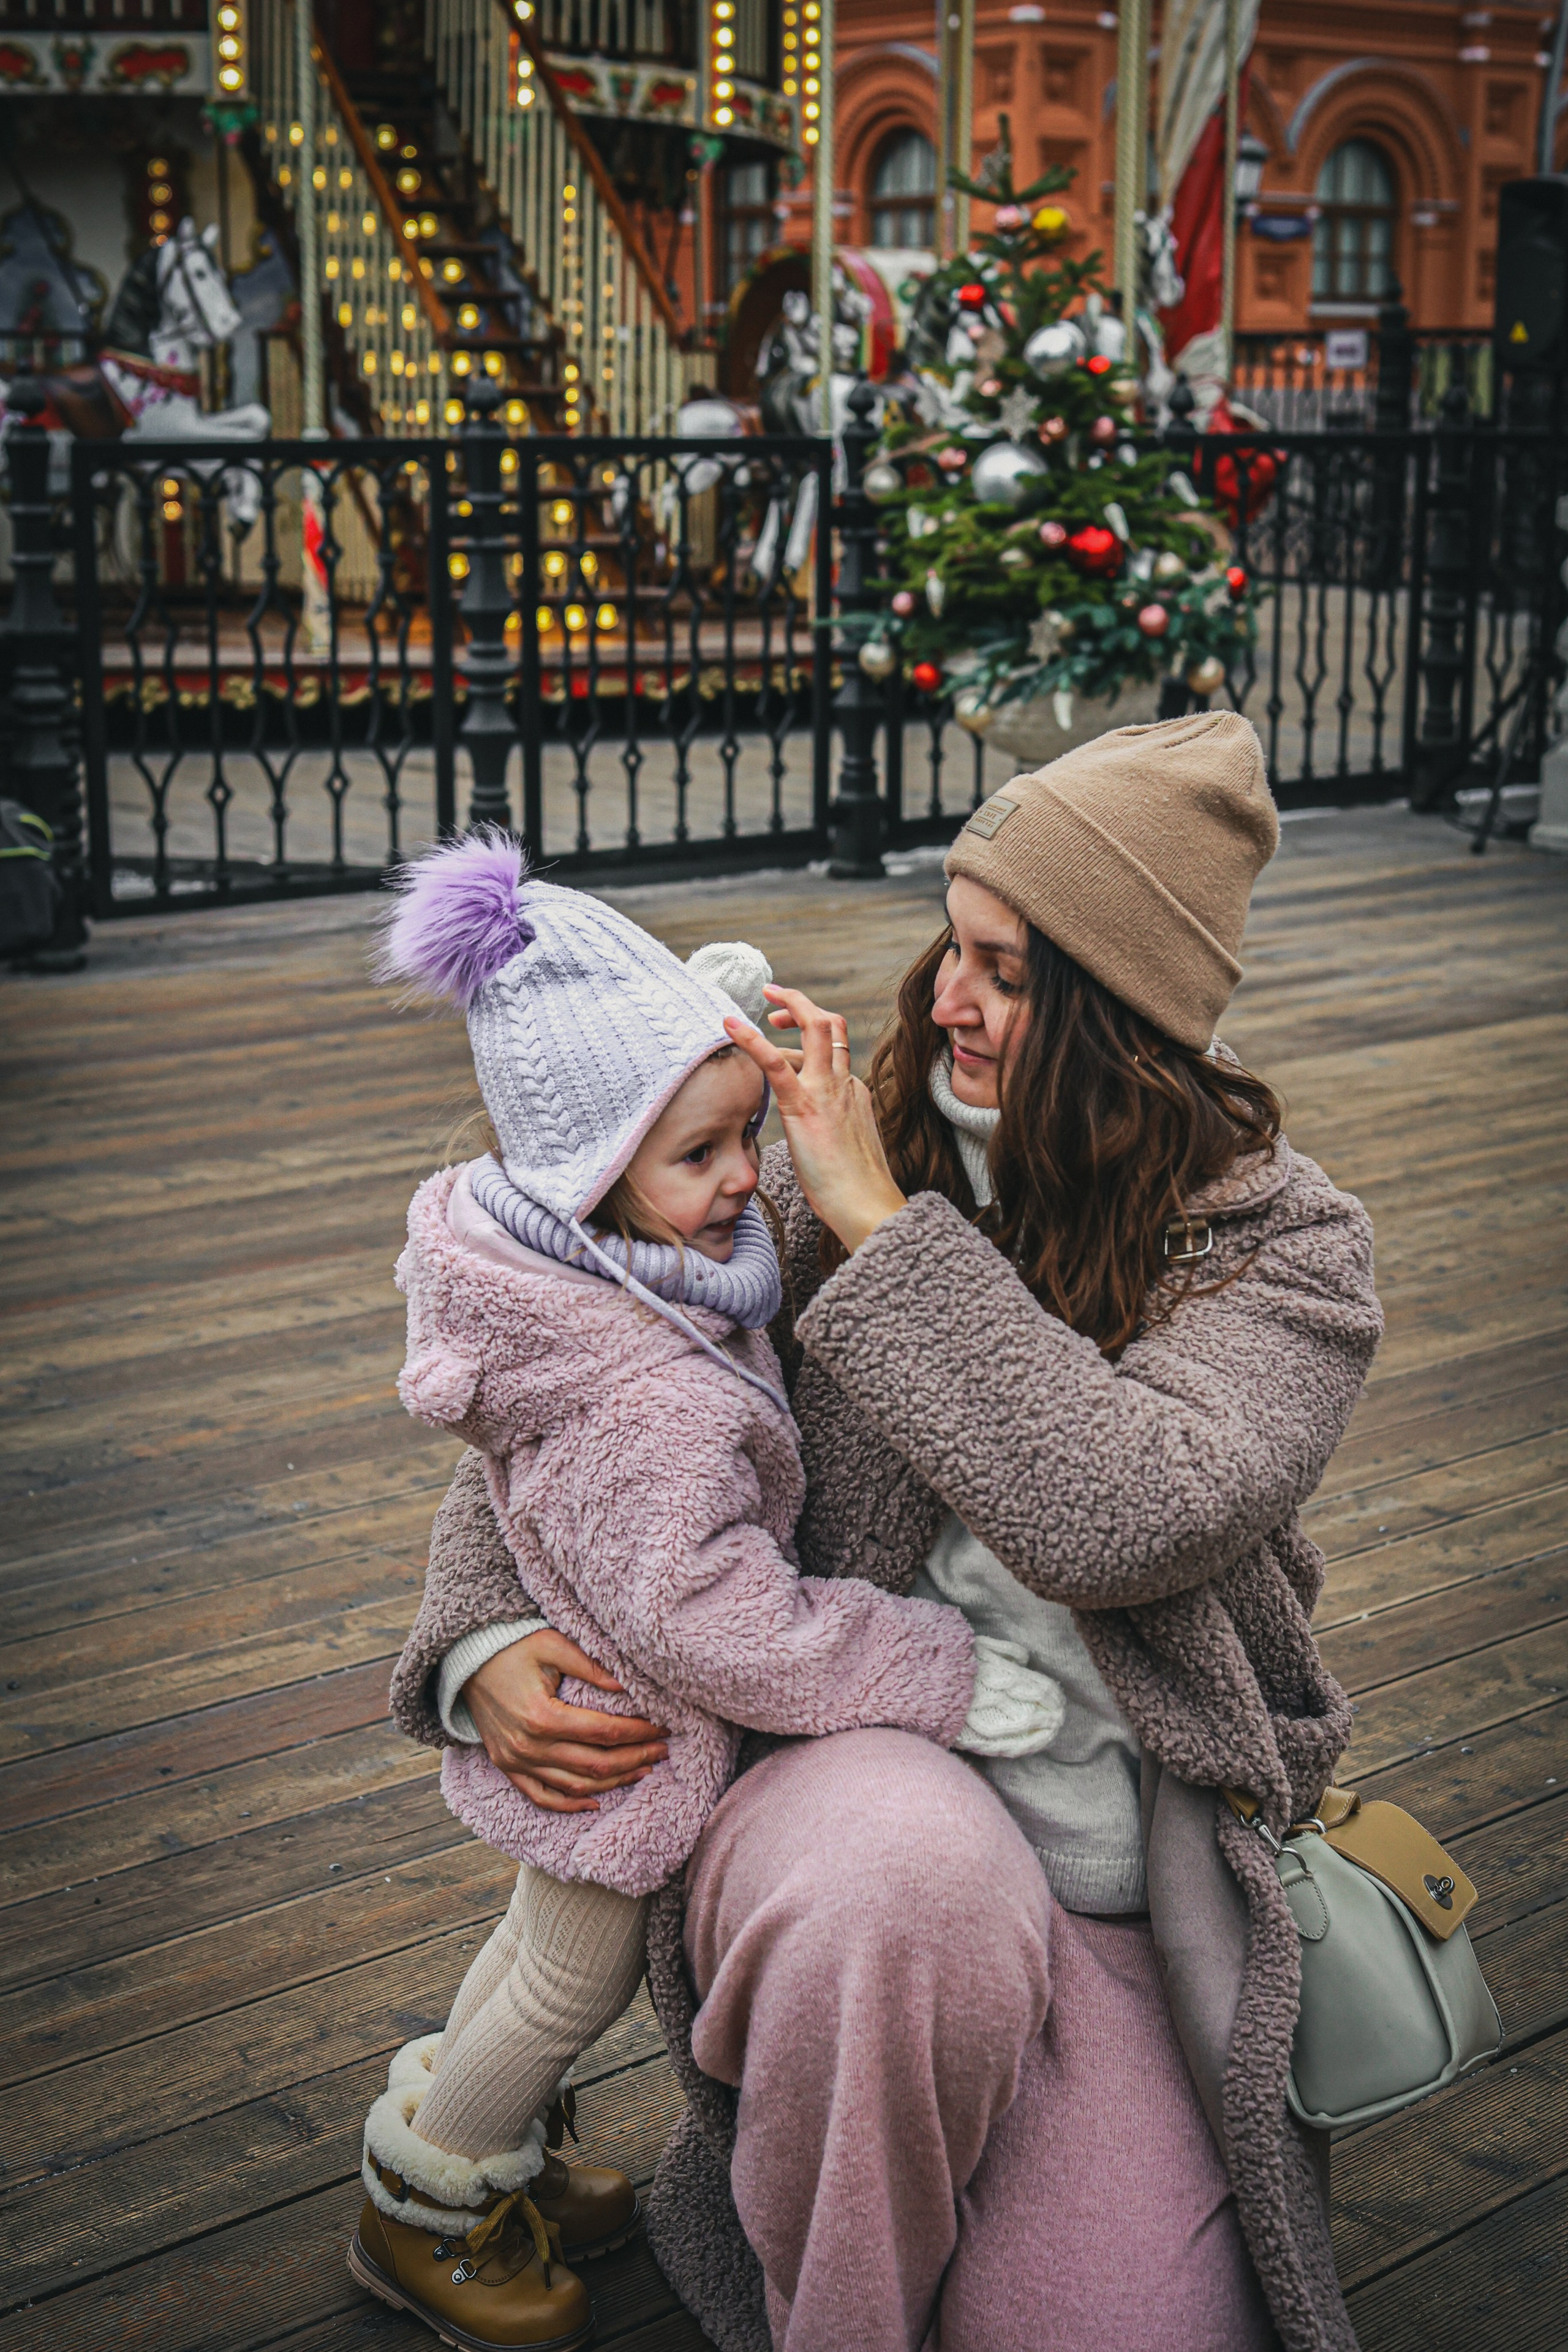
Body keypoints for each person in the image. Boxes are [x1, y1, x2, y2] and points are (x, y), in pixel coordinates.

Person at [393, 712, 1384, 2352]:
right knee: (906, 1882)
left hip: (1123, 1888)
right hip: (851, 1816)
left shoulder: (1280, 1253)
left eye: (1002, 965)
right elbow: (591, 1390)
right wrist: (480, 1643)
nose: (943, 995)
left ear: (1119, 1005)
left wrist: (875, 1224)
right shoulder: (838, 1141)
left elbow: (1120, 1515)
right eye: (952, 938)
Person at [350, 835, 1065, 2352]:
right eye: (701, 1158)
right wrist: (932, 1666)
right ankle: (430, 2202)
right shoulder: (645, 1379)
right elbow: (711, 1613)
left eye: (746, 1135)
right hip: (631, 1729)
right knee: (564, 1980)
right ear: (590, 1177)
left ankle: (495, 2148)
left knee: (535, 1956)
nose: (748, 1180)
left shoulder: (630, 1263)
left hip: (629, 1706)